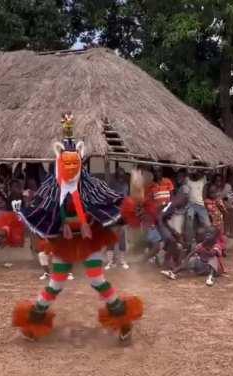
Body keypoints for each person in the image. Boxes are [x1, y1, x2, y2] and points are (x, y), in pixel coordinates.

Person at [12, 115, 143, 344]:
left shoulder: (90, 184)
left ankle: (123, 322)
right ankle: (33, 323)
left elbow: (110, 199)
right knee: (56, 284)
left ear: (80, 161)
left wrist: (130, 203)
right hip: (65, 243)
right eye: (66, 163)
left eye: (75, 163)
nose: (71, 167)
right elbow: (41, 207)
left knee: (96, 279)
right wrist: (36, 215)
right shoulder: (52, 186)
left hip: (88, 238)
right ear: (59, 161)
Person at [106, 167, 130, 270]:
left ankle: (122, 261)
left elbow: (127, 198)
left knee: (122, 238)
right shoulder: (111, 184)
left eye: (123, 175)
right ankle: (110, 261)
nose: (122, 176)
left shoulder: (125, 185)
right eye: (120, 175)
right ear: (116, 175)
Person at [183, 166, 211, 249]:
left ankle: (208, 242)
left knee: (207, 223)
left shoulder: (203, 179)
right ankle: (189, 243)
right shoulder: (187, 179)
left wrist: (206, 205)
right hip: (190, 204)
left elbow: (206, 171)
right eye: (196, 171)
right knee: (189, 221)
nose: (197, 173)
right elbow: (187, 170)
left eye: (199, 171)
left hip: (201, 205)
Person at [204, 184, 227, 255]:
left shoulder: (219, 200)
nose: (213, 194)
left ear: (217, 192)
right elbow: (205, 211)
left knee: (221, 236)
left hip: (219, 222)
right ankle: (215, 250)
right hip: (211, 223)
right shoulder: (206, 201)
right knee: (214, 237)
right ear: (208, 193)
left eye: (214, 192)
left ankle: (223, 249)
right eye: (211, 192)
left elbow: (224, 211)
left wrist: (219, 205)